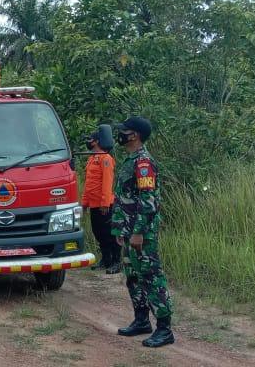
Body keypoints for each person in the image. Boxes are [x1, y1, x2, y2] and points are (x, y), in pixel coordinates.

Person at [110, 116, 175, 348]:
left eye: (125, 131)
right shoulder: (131, 160)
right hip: (129, 231)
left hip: (142, 234)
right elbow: (125, 199)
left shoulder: (143, 163)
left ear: (135, 135)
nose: (121, 135)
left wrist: (138, 232)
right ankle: (141, 321)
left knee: (151, 277)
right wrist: (121, 229)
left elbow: (148, 201)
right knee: (134, 277)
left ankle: (165, 329)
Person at [82, 132, 119, 273]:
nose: (88, 142)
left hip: (105, 205)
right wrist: (84, 203)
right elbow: (88, 183)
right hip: (93, 204)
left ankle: (116, 262)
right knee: (98, 233)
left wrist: (105, 203)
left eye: (90, 139)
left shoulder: (106, 159)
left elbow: (107, 183)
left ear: (97, 141)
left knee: (109, 234)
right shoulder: (92, 159)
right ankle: (106, 260)